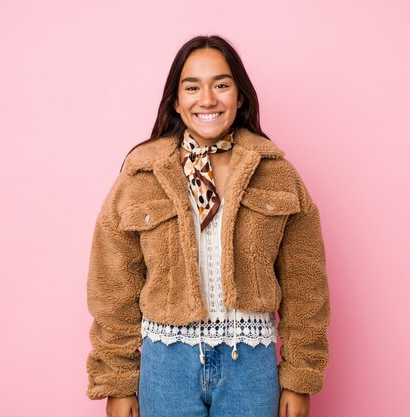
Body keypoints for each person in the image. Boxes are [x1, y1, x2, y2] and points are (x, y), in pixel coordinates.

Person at [85, 35, 330, 417]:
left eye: (221, 84)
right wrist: (116, 380)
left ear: (240, 96)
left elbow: (306, 284)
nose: (208, 99)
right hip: (166, 365)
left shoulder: (277, 174)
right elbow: (113, 285)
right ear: (176, 101)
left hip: (251, 365)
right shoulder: (141, 174)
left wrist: (300, 377)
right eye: (192, 87)